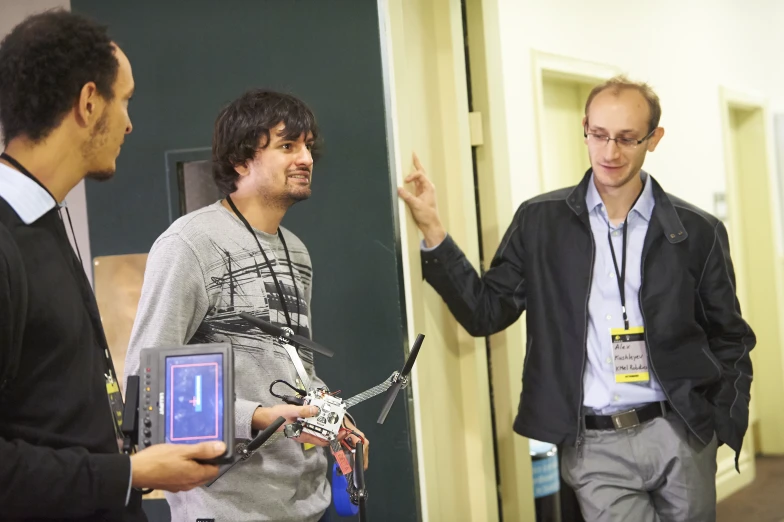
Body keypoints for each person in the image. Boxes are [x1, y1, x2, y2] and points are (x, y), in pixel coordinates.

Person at [398, 75, 754, 522]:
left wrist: (722, 420)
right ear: (584, 127)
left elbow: (730, 336)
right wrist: (434, 230)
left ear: (654, 139)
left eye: (627, 139)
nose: (610, 152)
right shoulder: (539, 222)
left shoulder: (696, 231)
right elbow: (485, 311)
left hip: (678, 430)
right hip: (594, 444)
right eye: (599, 135)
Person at [0, 10, 226, 521]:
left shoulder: (43, 221)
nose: (128, 122)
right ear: (87, 103)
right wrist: (133, 473)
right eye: (123, 99)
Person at [124, 88, 369, 522]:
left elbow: (294, 367)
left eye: (308, 146)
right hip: (227, 507)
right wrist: (256, 416)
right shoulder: (190, 244)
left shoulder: (296, 251)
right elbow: (146, 380)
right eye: (287, 146)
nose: (306, 159)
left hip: (306, 503)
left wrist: (329, 418)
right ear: (241, 161)